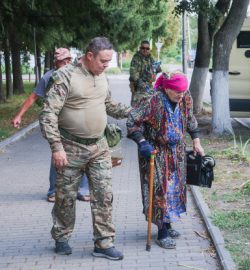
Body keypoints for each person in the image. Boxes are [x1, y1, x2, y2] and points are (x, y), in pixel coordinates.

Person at [39, 37, 131, 260]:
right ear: (90, 56)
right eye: (103, 61)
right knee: (65, 198)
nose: (106, 65)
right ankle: (61, 236)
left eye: (109, 61)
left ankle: (104, 242)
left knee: (104, 195)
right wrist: (56, 148)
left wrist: (134, 111)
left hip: (99, 147)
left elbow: (108, 104)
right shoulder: (65, 76)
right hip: (70, 148)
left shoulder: (101, 76)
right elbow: (48, 114)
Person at [127, 72, 204, 249]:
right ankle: (161, 232)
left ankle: (168, 224)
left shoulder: (185, 97)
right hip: (156, 152)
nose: (181, 95)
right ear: (167, 88)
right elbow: (132, 121)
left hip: (177, 151)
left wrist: (196, 141)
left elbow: (190, 119)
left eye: (183, 91)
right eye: (177, 91)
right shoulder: (151, 100)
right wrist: (142, 142)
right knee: (159, 190)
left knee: (174, 188)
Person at [11, 48, 90, 203]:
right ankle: (53, 191)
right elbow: (33, 97)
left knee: (83, 153)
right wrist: (19, 115)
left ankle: (83, 189)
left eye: (68, 59)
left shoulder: (76, 74)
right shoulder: (49, 77)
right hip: (56, 123)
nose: (67, 62)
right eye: (63, 60)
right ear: (56, 62)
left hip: (76, 121)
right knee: (58, 155)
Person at [129, 40, 161, 106]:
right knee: (136, 111)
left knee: (149, 110)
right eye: (143, 48)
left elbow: (158, 69)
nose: (145, 50)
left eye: (147, 48)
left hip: (149, 88)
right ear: (140, 48)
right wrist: (142, 83)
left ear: (149, 49)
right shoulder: (136, 58)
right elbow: (133, 75)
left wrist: (156, 69)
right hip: (138, 89)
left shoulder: (151, 58)